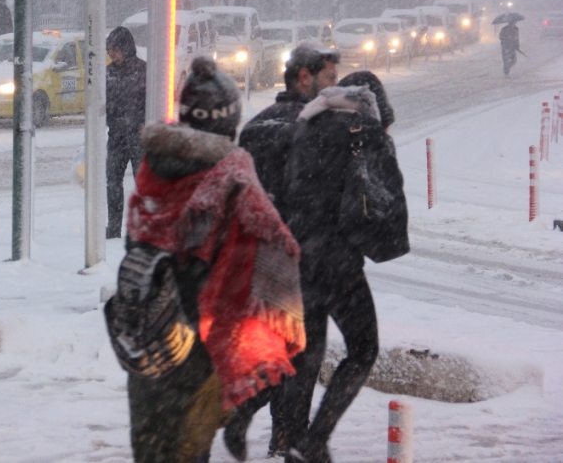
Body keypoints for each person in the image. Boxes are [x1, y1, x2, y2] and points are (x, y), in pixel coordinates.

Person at [121, 57, 306, 463]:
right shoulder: (232, 177)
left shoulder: (156, 168)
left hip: (146, 345)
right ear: (229, 120)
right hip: (197, 355)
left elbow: (137, 245)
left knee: (151, 453)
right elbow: (274, 250)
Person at [278, 77, 405, 463]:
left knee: (306, 356)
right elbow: (385, 199)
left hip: (297, 257)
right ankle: (313, 440)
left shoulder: (304, 127)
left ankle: (294, 441)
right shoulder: (364, 132)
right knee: (363, 350)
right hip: (337, 262)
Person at [230, 45, 341, 458]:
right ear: (304, 78)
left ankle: (254, 422)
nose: (335, 87)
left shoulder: (255, 126)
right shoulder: (317, 130)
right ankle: (286, 435)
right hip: (304, 260)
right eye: (329, 79)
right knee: (302, 354)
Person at [106, 26, 147, 238]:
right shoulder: (108, 73)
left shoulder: (144, 71)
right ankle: (113, 227)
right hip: (116, 136)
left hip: (139, 137)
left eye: (115, 49)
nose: (111, 53)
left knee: (143, 185)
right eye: (109, 49)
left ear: (126, 48)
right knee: (113, 181)